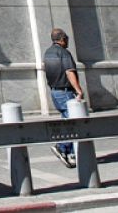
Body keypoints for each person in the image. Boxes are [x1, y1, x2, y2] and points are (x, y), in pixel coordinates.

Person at [43, 27, 82, 168]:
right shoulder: (63, 52)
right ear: (62, 39)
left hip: (54, 91)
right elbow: (69, 72)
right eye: (67, 39)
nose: (68, 41)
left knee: (67, 120)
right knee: (73, 121)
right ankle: (62, 146)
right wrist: (79, 90)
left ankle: (70, 153)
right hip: (65, 91)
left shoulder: (47, 53)